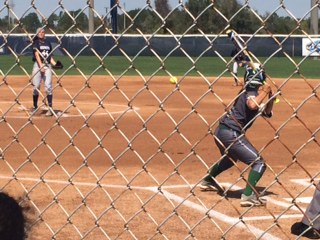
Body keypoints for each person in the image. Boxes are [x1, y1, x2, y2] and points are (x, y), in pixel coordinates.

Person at [199, 62, 275, 207]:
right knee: (259, 163)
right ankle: (248, 196)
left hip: (222, 131)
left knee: (229, 159)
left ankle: (208, 180)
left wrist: (270, 97)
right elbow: (252, 104)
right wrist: (264, 92)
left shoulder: (250, 93)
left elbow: (267, 112)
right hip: (231, 133)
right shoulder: (250, 93)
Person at [31, 27, 57, 117]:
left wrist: (55, 64)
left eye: (43, 32)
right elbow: (36, 54)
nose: (42, 33)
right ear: (37, 34)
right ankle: (35, 106)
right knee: (36, 87)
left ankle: (50, 108)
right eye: (40, 32)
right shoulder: (35, 43)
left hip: (47, 66)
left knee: (48, 87)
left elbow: (50, 56)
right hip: (37, 66)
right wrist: (40, 65)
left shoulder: (48, 43)